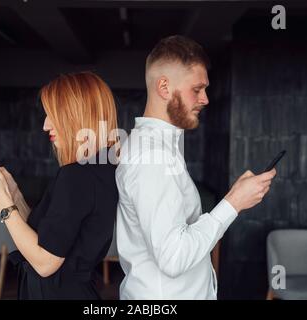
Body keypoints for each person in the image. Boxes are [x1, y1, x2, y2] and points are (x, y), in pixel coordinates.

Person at [116, 35, 277, 300]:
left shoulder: (161, 147)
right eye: (197, 89)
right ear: (164, 87)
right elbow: (173, 257)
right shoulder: (152, 155)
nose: (205, 99)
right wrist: (233, 202)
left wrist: (232, 198)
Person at [0, 71, 119, 299]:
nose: (45, 125)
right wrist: (14, 195)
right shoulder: (99, 170)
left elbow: (45, 263)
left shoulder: (77, 176)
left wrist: (1, 201)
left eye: (53, 115)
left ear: (76, 115)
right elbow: (48, 238)